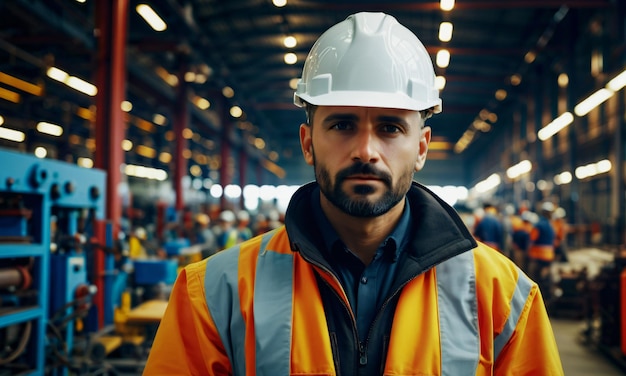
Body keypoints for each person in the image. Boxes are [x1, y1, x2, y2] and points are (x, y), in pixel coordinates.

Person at [144, 12, 563, 375]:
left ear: (421, 147)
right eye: (342, 125)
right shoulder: (215, 293)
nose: (366, 151)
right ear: (308, 143)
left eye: (390, 128)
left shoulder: (502, 296)